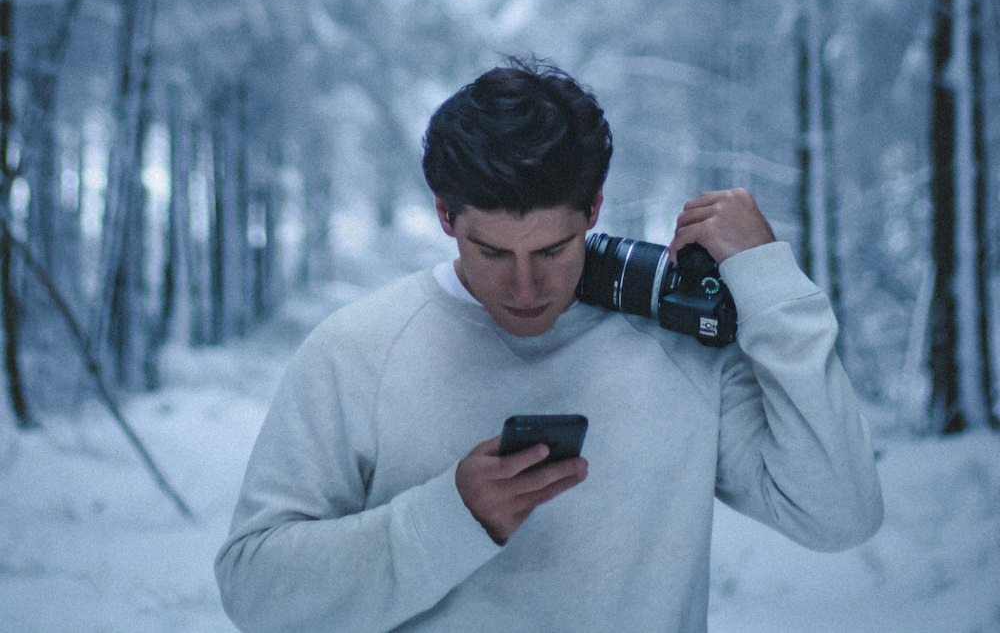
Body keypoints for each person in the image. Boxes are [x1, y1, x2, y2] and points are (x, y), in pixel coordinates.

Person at [215, 59, 883, 633]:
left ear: (593, 210)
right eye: (492, 251)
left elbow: (839, 515)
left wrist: (768, 280)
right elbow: (253, 587)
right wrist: (449, 518)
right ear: (446, 217)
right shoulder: (356, 350)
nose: (527, 286)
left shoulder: (678, 346)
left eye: (555, 250)